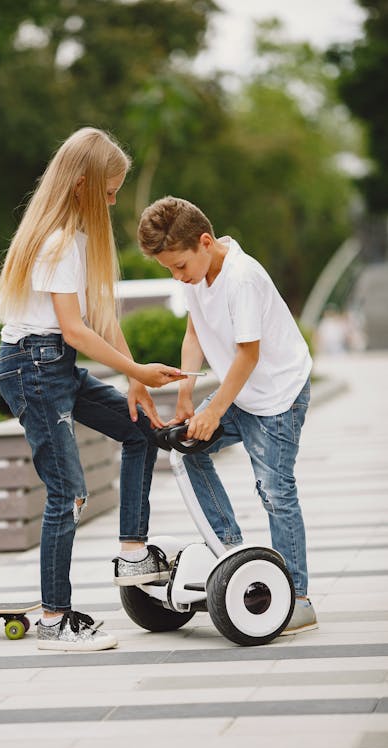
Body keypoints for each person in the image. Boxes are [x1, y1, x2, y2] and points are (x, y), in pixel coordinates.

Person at [0, 129, 185, 652]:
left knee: (141, 431)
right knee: (68, 492)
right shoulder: (57, 241)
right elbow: (74, 330)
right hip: (33, 366)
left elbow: (99, 317)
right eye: (108, 191)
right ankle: (54, 620)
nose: (114, 201)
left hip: (54, 365)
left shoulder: (74, 238)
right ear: (82, 184)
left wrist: (134, 381)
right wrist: (139, 372)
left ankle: (131, 550)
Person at [137, 195, 318, 635]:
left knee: (276, 491)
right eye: (170, 270)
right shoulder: (195, 277)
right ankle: (232, 552)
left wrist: (214, 410)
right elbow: (193, 333)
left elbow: (247, 355)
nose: (178, 276)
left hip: (277, 396)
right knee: (185, 449)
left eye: (179, 266)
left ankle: (298, 599)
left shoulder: (242, 277)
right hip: (240, 392)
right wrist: (185, 397)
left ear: (204, 241)